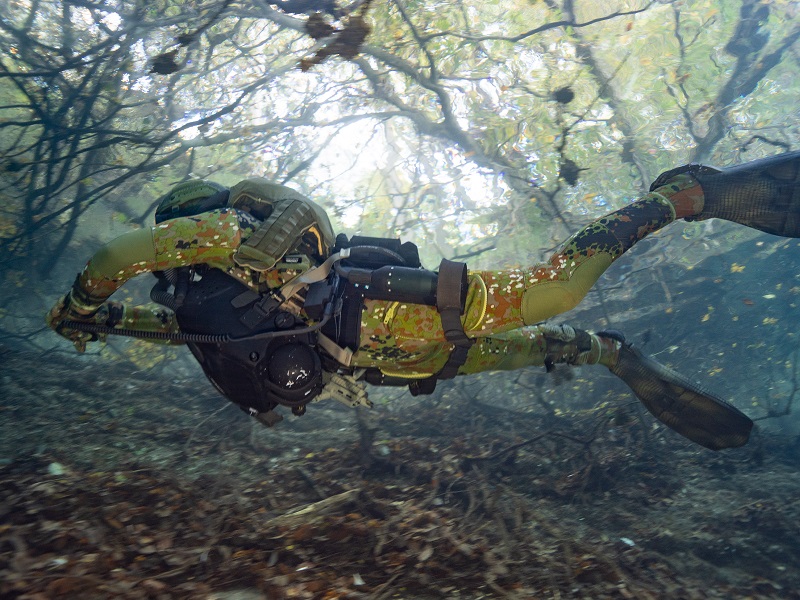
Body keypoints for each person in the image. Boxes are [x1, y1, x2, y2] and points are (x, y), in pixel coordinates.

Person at [46, 152, 800, 450]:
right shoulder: (199, 301)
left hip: (396, 311)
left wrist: (84, 303)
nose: (173, 245)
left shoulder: (224, 229)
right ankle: (605, 351)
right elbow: (185, 336)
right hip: (389, 363)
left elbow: (115, 257)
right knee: (524, 348)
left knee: (558, 287)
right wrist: (112, 322)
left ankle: (678, 196)